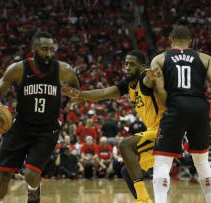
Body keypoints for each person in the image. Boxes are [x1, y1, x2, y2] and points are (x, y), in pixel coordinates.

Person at [62, 50, 166, 203]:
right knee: (126, 171)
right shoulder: (127, 84)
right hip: (154, 133)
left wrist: (151, 77)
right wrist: (81, 94)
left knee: (125, 145)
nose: (127, 67)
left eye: (132, 64)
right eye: (125, 64)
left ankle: (143, 200)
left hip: (164, 131)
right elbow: (104, 92)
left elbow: (148, 81)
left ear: (142, 67)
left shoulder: (144, 78)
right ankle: (145, 200)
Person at [0, 32, 80, 203]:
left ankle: (33, 189)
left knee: (31, 175)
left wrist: (72, 101)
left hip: (47, 129)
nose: (49, 53)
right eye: (44, 49)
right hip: (20, 127)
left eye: (52, 49)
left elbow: (76, 86)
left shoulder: (63, 69)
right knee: (3, 174)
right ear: (34, 49)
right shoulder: (18, 69)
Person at [150, 25, 211, 203]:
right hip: (199, 107)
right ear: (191, 41)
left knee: (162, 162)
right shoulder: (205, 58)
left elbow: (160, 92)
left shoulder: (159, 59)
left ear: (169, 40)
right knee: (202, 161)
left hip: (175, 105)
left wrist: (167, 110)